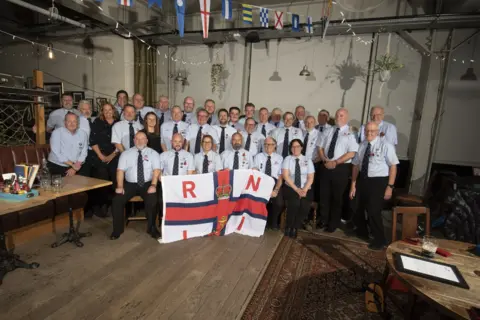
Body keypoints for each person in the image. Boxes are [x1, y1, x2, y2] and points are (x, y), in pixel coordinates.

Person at [350, 122, 399, 250]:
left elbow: (393, 166)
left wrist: (390, 186)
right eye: (367, 131)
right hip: (363, 180)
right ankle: (363, 232)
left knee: (373, 210)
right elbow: (355, 165)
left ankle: (380, 239)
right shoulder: (362, 145)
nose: (369, 133)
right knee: (356, 206)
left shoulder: (386, 145)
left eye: (372, 131)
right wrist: (353, 184)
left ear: (377, 132)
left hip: (379, 181)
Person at [111, 131, 161, 240]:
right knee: (116, 200)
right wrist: (120, 186)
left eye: (143, 139)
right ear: (134, 140)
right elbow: (120, 171)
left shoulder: (154, 153)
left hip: (147, 183)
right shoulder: (125, 154)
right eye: (137, 139)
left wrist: (153, 185)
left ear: (147, 141)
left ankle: (152, 228)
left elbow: (156, 171)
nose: (140, 141)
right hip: (130, 184)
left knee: (152, 200)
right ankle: (117, 230)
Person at [317, 108, 359, 232]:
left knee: (337, 197)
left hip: (341, 168)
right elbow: (320, 147)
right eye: (337, 115)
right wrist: (325, 160)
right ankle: (323, 220)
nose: (338, 117)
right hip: (325, 165)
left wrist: (335, 162)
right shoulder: (328, 130)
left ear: (346, 118)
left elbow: (351, 153)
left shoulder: (351, 132)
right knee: (324, 195)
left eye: (341, 115)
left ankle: (333, 223)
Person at [89, 103, 120, 215]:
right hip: (100, 155)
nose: (107, 112)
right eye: (105, 110)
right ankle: (103, 205)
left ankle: (115, 205)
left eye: (109, 110)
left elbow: (121, 142)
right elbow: (93, 141)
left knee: (115, 177)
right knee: (102, 178)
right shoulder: (97, 122)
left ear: (113, 110)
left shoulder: (119, 123)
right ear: (102, 111)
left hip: (115, 154)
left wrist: (112, 155)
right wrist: (101, 156)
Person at [282, 139, 315, 238]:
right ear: (290, 148)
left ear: (301, 147)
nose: (295, 148)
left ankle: (295, 226)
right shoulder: (287, 159)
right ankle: (288, 226)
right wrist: (297, 190)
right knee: (294, 204)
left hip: (306, 188)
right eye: (293, 146)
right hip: (291, 187)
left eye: (297, 146)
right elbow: (286, 176)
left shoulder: (307, 160)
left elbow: (310, 177)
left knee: (305, 206)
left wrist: (304, 189)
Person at [253, 137, 284, 230]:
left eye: (270, 144)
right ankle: (262, 222)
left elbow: (280, 177)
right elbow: (255, 172)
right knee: (259, 201)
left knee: (279, 203)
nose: (267, 146)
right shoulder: (258, 157)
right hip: (261, 181)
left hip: (274, 182)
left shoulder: (280, 158)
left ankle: (273, 222)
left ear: (275, 146)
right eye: (265, 144)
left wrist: (276, 190)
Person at [47, 112, 89, 176]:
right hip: (57, 165)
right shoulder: (57, 133)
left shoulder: (83, 134)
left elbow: (84, 153)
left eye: (74, 121)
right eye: (69, 121)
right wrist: (72, 165)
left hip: (76, 165)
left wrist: (74, 168)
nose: (72, 124)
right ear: (65, 122)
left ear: (78, 123)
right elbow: (57, 153)